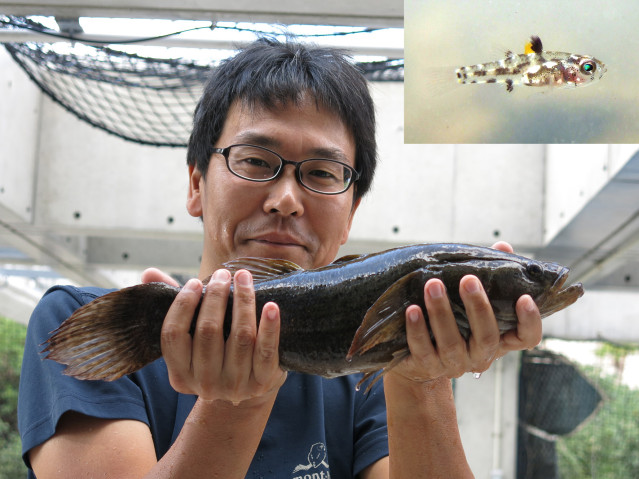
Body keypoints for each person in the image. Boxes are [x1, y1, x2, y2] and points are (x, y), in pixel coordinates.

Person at [18, 38, 542, 478]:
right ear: (197, 183)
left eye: (321, 173)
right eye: (255, 161)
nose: (286, 199)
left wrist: (422, 378)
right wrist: (234, 403)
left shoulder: (370, 373)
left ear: (352, 211)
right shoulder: (88, 320)